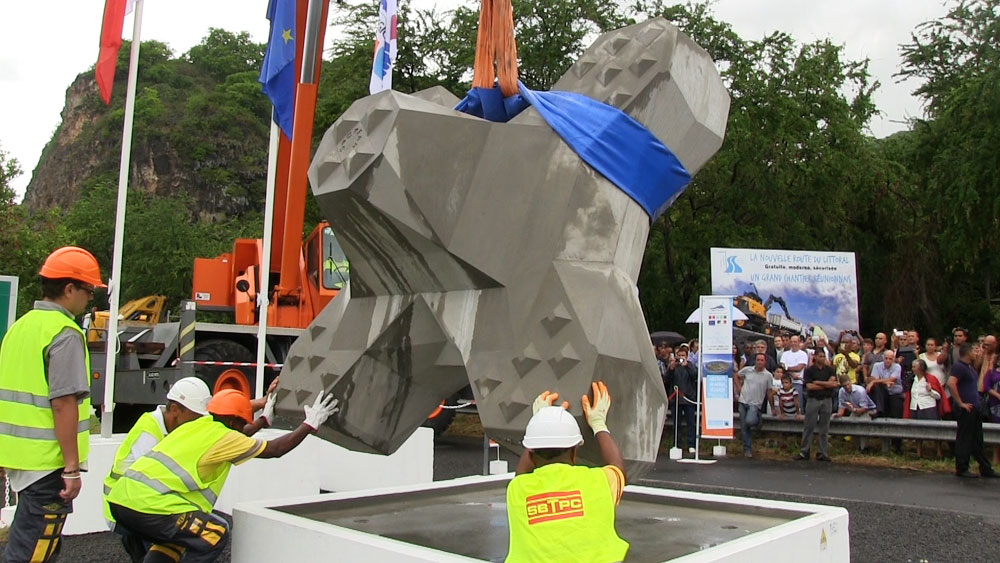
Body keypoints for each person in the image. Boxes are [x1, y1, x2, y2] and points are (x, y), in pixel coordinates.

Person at [107, 389, 340, 561]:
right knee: (215, 532)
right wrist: (310, 424)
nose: (242, 429)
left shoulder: (198, 425)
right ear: (232, 421)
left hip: (121, 502)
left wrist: (262, 420)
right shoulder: (224, 437)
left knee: (174, 544)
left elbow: (240, 436)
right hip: (150, 507)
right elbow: (274, 450)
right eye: (241, 423)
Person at [0, 246, 106, 563]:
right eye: (88, 291)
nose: (90, 299)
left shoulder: (20, 327)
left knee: (41, 548)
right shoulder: (64, 333)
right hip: (47, 465)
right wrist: (71, 468)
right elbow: (63, 403)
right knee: (30, 553)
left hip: (19, 460)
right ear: (69, 288)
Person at [506, 383, 628, 563]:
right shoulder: (598, 482)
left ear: (531, 454)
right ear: (574, 453)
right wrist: (598, 423)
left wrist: (540, 422)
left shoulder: (517, 490)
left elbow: (521, 472)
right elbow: (618, 467)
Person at [946, 343, 997, 478]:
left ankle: (985, 467)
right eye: (974, 351)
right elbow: (951, 383)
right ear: (967, 353)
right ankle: (962, 467)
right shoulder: (959, 367)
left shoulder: (970, 367)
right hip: (966, 408)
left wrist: (982, 353)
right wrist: (960, 403)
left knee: (977, 439)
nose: (976, 353)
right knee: (965, 438)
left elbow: (979, 363)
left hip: (975, 408)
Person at [795, 349, 837, 462]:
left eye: (824, 356)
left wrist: (818, 382)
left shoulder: (830, 370)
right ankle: (805, 451)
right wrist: (826, 385)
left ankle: (822, 452)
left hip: (826, 400)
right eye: (820, 356)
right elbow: (809, 387)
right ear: (815, 357)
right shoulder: (809, 370)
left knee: (824, 428)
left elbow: (833, 384)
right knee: (809, 426)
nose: (822, 358)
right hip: (813, 399)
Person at [903, 359, 949, 458]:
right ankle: (919, 452)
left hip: (928, 407)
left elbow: (939, 396)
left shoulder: (931, 379)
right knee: (917, 430)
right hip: (915, 406)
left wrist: (931, 390)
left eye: (914, 367)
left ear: (920, 368)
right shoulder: (912, 379)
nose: (912, 369)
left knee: (934, 430)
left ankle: (938, 452)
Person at [735, 353, 773, 458]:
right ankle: (747, 449)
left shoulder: (768, 375)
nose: (759, 362)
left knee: (749, 421)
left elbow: (769, 392)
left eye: (762, 360)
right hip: (743, 401)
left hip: (755, 403)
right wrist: (739, 388)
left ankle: (758, 419)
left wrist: (772, 407)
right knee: (744, 427)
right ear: (755, 361)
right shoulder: (747, 370)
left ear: (765, 362)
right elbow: (736, 376)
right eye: (758, 360)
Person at [665, 347, 698, 454]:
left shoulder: (691, 365)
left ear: (687, 356)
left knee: (691, 423)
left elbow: (695, 376)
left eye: (683, 355)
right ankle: (677, 444)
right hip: (676, 399)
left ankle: (691, 444)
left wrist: (687, 365)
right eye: (679, 355)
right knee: (676, 424)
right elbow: (666, 379)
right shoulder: (673, 366)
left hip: (688, 399)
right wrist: (671, 368)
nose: (681, 358)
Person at [780, 335, 809, 411]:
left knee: (798, 405)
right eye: (792, 341)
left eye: (795, 342)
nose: (793, 343)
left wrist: (787, 368)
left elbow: (799, 368)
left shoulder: (803, 354)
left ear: (799, 342)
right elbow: (782, 367)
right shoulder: (785, 354)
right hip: (784, 383)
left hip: (797, 383)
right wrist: (792, 374)